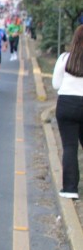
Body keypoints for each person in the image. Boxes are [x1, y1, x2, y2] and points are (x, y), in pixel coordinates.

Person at [52, 24, 83, 200]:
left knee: (70, 147)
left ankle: (70, 188)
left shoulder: (65, 58)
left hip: (67, 104)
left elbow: (56, 84)